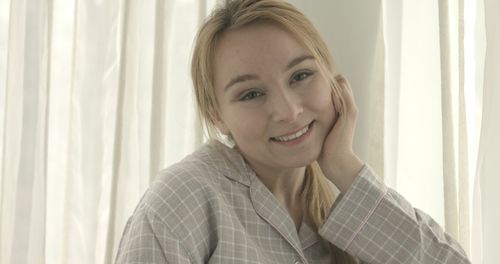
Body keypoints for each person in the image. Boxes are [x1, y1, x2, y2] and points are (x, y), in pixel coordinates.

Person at [115, 0, 471, 263]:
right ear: (217, 116)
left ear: (331, 76)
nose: (288, 111)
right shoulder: (184, 199)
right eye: (251, 94)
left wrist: (345, 167)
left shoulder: (338, 211)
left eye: (301, 76)